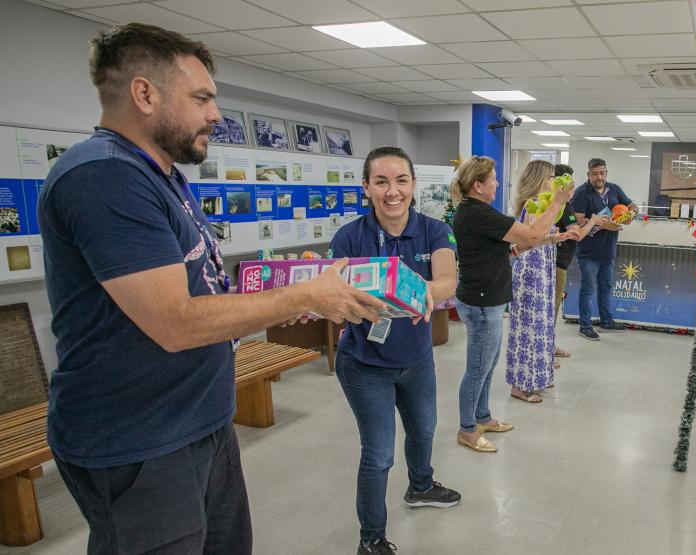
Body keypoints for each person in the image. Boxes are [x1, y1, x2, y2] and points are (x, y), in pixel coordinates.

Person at [37, 23, 384, 554]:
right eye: (201, 98)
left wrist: (280, 293)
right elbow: (175, 322)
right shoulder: (104, 177)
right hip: (139, 441)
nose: (215, 114)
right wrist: (305, 295)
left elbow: (202, 286)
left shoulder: (162, 173)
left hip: (200, 420)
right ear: (144, 94)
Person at [329, 146, 461, 554]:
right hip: (365, 364)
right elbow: (334, 295)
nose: (392, 191)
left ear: (414, 185)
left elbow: (446, 280)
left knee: (423, 431)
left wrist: (420, 291)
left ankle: (420, 487)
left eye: (401, 180)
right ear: (366, 187)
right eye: (381, 181)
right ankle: (371, 540)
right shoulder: (349, 237)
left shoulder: (435, 231)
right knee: (379, 453)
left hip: (417, 360)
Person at [451, 156, 571, 451]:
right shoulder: (477, 213)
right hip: (481, 302)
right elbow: (531, 233)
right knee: (478, 368)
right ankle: (467, 430)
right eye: (492, 178)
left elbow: (518, 246)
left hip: (488, 300)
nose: (497, 183)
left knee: (488, 364)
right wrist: (556, 203)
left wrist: (544, 242)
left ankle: (483, 417)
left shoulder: (478, 212)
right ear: (478, 186)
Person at [505, 161, 597, 403]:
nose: (554, 182)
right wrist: (552, 235)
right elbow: (530, 238)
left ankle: (537, 377)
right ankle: (521, 385)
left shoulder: (545, 205)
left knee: (542, 325)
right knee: (528, 327)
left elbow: (538, 236)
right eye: (551, 177)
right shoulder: (533, 204)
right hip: (531, 270)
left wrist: (556, 237)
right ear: (540, 179)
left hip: (543, 266)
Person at [571, 158, 639, 340]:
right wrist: (603, 226)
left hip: (608, 250)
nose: (599, 177)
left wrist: (630, 215)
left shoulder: (614, 189)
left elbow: (632, 205)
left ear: (606, 173)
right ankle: (585, 326)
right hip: (588, 252)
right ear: (588, 175)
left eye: (602, 173)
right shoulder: (581, 193)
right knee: (588, 288)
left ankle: (606, 322)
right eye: (595, 174)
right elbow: (578, 221)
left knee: (605, 287)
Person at [551, 163, 580, 360]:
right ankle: (547, 350)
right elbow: (575, 231)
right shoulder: (563, 204)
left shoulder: (554, 203)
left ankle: (547, 348)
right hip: (557, 264)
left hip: (557, 262)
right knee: (552, 309)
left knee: (550, 309)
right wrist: (593, 223)